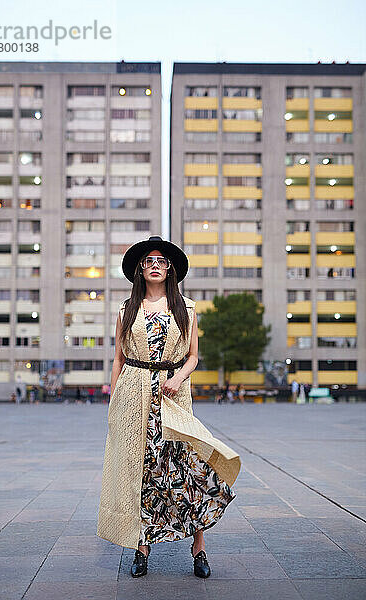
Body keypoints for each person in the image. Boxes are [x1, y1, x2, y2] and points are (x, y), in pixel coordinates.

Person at [96, 235, 241, 579]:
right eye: (149, 261)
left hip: (174, 398)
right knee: (139, 471)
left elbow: (193, 357)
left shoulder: (187, 309)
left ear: (171, 268)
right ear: (140, 270)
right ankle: (140, 547)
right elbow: (118, 360)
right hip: (133, 396)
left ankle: (199, 547)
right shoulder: (126, 310)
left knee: (186, 467)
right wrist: (113, 402)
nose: (155, 265)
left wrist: (177, 379)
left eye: (161, 261)